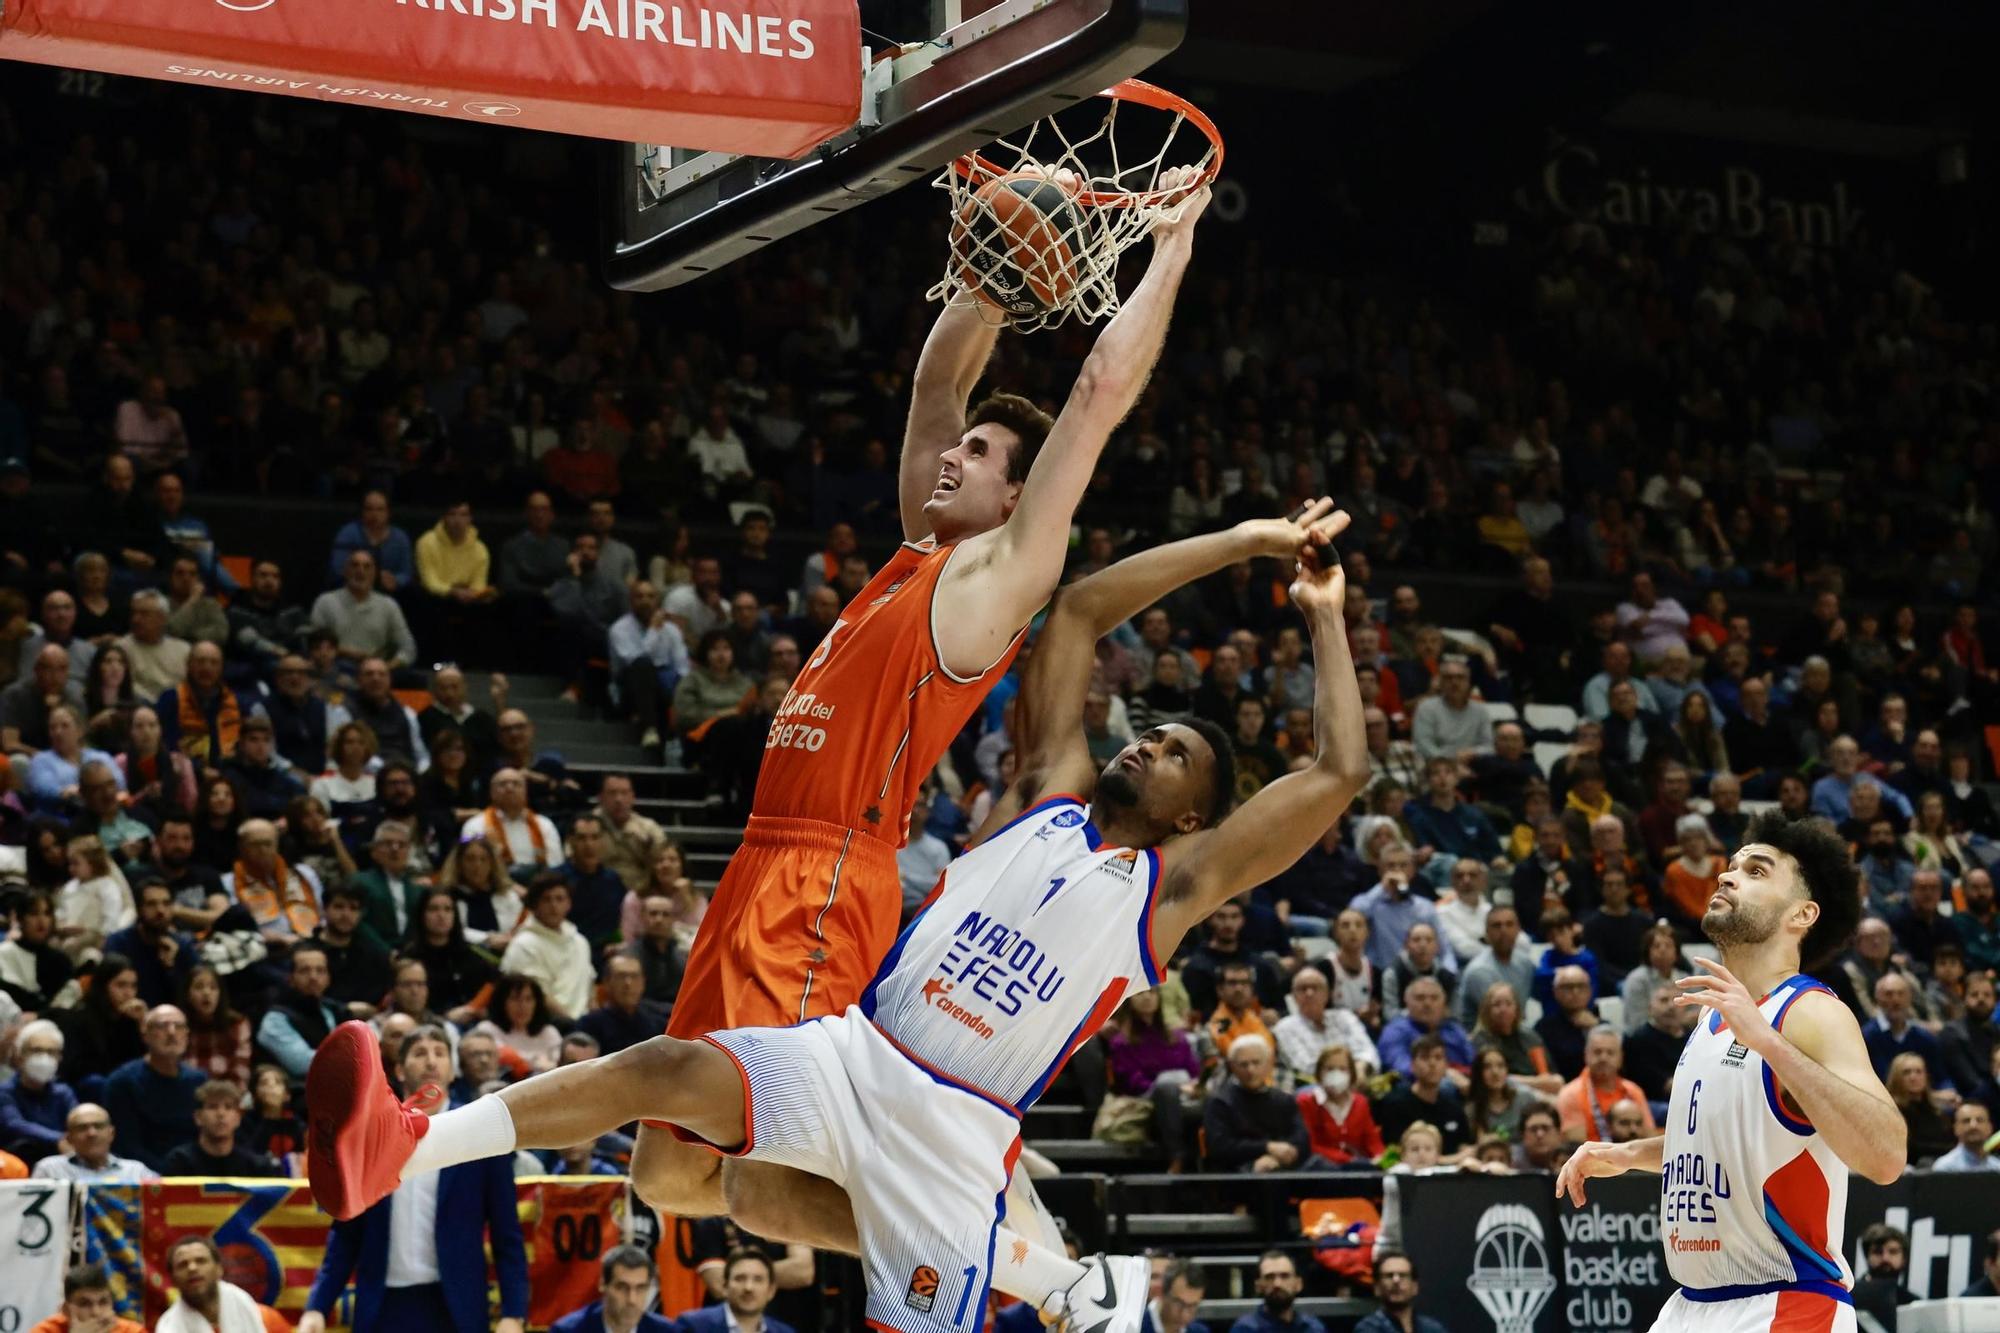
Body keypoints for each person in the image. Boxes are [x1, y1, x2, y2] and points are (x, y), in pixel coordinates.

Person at [311, 487, 1360, 1329]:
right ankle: (404, 1143)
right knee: (665, 1070)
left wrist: (1319, 618)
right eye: (1154, 729)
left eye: (1175, 752)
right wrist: (1242, 538)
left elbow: (1337, 768)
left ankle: (1043, 1281)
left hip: (951, 1141)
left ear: (1195, 813)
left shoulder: (1167, 889)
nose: (1148, 742)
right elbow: (1080, 607)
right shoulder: (1048, 791)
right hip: (853, 1056)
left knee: (766, 1202)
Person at [1557, 814, 1898, 1332]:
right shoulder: (1713, 1014)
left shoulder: (1810, 1012)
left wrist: (1768, 1042)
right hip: (1691, 1306)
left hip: (1787, 1305)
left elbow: (1887, 1154)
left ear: (1802, 914)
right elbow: (1733, 1138)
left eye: (1757, 872)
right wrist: (1627, 1155)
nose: (1727, 876)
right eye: (1732, 867)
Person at [300, 1025, 527, 1333]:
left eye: (440, 1053)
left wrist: (514, 1312)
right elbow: (346, 1233)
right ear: (399, 1070)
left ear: (452, 1069)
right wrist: (317, 1306)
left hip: (455, 1305)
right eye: (420, 1053)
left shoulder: (478, 1132)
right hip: (383, 1304)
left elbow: (506, 1233)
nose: (431, 1062)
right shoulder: (368, 1136)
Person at [101, 1004, 205, 1171]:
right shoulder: (122, 1082)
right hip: (143, 1177)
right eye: (162, 1026)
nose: (172, 1032)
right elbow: (126, 1147)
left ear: (187, 1035)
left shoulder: (199, 1080)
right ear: (145, 1035)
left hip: (196, 1173)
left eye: (178, 1026)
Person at [1204, 1033, 1312, 1173]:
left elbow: (1301, 1138)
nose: (1251, 1070)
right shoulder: (1220, 1102)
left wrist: (1276, 1158)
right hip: (1240, 1172)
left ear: (1269, 1064)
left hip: (1284, 1166)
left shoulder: (1284, 1099)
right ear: (1232, 1067)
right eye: (1243, 1064)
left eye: (1256, 1062)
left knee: (1323, 1169)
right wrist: (1267, 1147)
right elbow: (1220, 1147)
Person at [497, 875, 596, 1020]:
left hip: (583, 1021)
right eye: (546, 899)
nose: (554, 905)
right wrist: (572, 1022)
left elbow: (589, 987)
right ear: (535, 904)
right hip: (547, 1023)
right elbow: (538, 996)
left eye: (559, 899)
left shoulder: (580, 941)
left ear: (569, 903)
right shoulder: (524, 944)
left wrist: (593, 1020)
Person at [156, 1235, 289, 1333]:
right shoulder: (168, 1329)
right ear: (172, 1279)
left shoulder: (265, 1319)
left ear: (219, 1269)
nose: (192, 1268)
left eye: (201, 1261)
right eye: (182, 1265)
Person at [1275, 966, 1379, 1084]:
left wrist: (1360, 1068)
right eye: (1303, 989)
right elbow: (1304, 1067)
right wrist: (1347, 1076)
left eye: (1315, 987)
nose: (1309, 993)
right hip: (1316, 1087)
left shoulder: (1345, 1017)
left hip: (1359, 1079)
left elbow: (1367, 1051)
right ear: (1294, 996)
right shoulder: (1285, 1027)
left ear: (1327, 994)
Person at [1555, 1025, 1658, 1144]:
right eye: (1597, 1052)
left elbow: (1650, 1139)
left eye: (1610, 1052)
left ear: (1620, 1058)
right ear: (1586, 1055)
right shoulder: (1570, 1094)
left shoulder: (1634, 1091)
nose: (1603, 1058)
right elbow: (1575, 1148)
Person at [162, 1077, 282, 1176]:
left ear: (238, 1118)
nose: (221, 1114)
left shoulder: (256, 1166)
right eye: (212, 1107)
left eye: (228, 1107)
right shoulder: (179, 1162)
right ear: (198, 1117)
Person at [550, 1245, 683, 1333]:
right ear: (603, 1284)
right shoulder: (568, 1331)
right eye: (622, 1288)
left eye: (641, 1288)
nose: (632, 1300)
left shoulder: (667, 1331)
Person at [257, 942, 343, 1079]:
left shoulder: (333, 1010)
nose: (313, 977)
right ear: (290, 978)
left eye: (320, 970)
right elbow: (303, 1064)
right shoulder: (275, 1019)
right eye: (304, 970)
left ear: (328, 978)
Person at [0, 1019, 76, 1163]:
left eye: (51, 1052)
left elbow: (77, 1123)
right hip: (18, 1162)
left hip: (60, 1163)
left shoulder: (63, 1092)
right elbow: (14, 1124)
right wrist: (58, 1139)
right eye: (37, 1050)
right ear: (20, 1055)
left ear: (60, 1058)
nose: (44, 1058)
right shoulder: (4, 1092)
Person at [31, 1102, 153, 1183]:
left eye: (98, 1126)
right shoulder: (50, 1170)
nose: (91, 1133)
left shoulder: (136, 1171)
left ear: (112, 1134)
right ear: (69, 1138)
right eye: (82, 1128)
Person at [678, 1250, 797, 1333]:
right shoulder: (694, 1326)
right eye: (740, 1278)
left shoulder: (785, 1332)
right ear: (725, 1286)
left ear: (771, 1290)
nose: (748, 1287)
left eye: (758, 1280)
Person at [28, 1263, 147, 1333]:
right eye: (84, 1304)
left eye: (103, 1302)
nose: (96, 1312)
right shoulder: (46, 1330)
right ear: (65, 1310)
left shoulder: (132, 1331)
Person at [1230, 1250, 1326, 1333]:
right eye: (1269, 1277)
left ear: (1298, 1284)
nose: (1277, 1284)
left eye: (1285, 1276)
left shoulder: (1313, 1328)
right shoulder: (1245, 1329)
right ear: (1258, 1286)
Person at [1352, 1252, 1447, 1333]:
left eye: (1403, 1275)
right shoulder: (1367, 1329)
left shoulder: (1432, 1329)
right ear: (1377, 1287)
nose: (1396, 1281)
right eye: (1389, 1276)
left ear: (1415, 1286)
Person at [1931, 1100, 1999, 1173]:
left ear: (1990, 1127)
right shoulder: (1944, 1168)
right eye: (1966, 1121)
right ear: (1956, 1128)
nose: (1973, 1126)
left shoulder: (1997, 1168)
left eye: (1979, 1120)